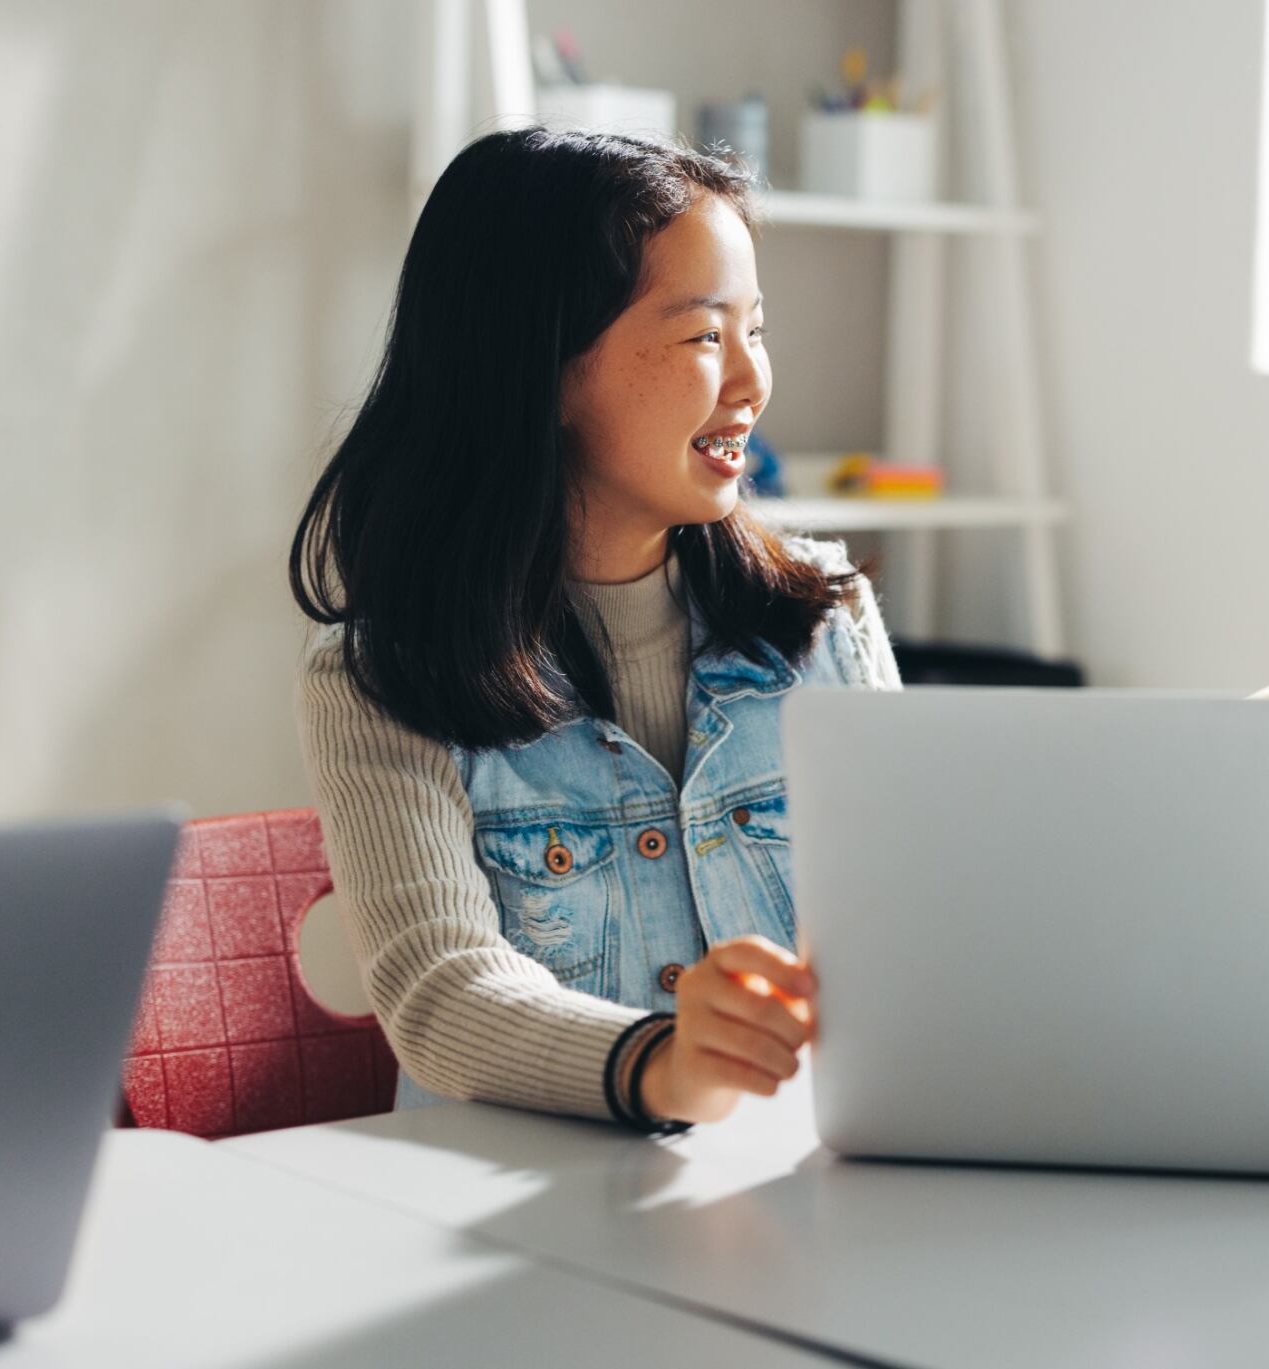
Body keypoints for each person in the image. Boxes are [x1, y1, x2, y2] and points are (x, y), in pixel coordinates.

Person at [289, 129, 897, 1135]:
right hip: (520, 1238)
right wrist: (661, 1066)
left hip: (785, 1202)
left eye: (757, 330)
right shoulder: (378, 678)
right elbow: (442, 994)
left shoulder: (825, 618)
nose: (751, 383)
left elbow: (912, 931)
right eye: (705, 336)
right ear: (547, 367)